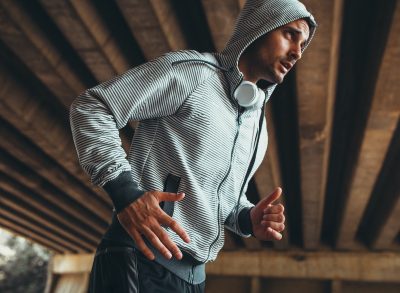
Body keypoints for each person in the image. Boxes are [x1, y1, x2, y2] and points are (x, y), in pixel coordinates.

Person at [70, 0, 316, 292]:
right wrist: (126, 194)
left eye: (303, 44)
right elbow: (92, 108)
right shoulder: (192, 74)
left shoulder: (257, 127)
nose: (297, 52)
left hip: (193, 279)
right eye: (290, 35)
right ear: (258, 28)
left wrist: (248, 218)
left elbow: (223, 202)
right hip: (139, 259)